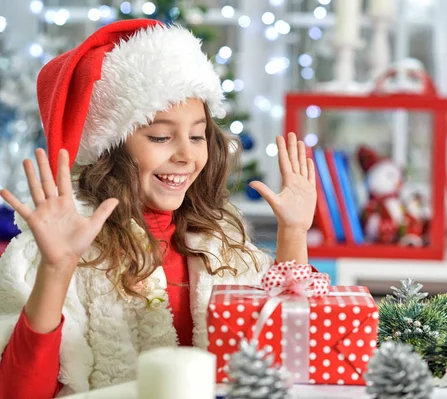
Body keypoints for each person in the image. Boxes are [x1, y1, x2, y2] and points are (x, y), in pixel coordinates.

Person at [0, 19, 317, 398]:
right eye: (161, 136)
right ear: (110, 148)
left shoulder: (223, 242)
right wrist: (56, 269)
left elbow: (291, 356)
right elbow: (19, 393)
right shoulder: (56, 249)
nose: (186, 154)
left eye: (197, 135)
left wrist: (294, 235)